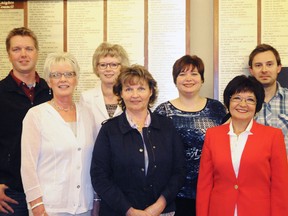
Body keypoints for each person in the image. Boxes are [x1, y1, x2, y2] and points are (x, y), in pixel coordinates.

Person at [90, 64, 186, 216]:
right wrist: (129, 211)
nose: (135, 95)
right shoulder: (109, 130)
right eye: (128, 89)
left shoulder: (166, 126)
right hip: (118, 212)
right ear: (120, 93)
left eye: (141, 89)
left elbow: (179, 171)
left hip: (162, 211)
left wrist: (159, 206)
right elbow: (99, 177)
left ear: (151, 92)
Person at [197, 75, 288, 216]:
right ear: (228, 102)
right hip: (219, 210)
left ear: (257, 105)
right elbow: (205, 184)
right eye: (237, 98)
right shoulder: (212, 135)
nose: (243, 104)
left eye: (250, 99)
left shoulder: (273, 136)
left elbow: (280, 187)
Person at [21, 52, 97, 216]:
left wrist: (95, 202)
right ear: (48, 81)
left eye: (69, 74)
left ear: (76, 79)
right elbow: (28, 168)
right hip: (50, 209)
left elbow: (94, 163)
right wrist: (37, 208)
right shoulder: (36, 116)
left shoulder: (88, 114)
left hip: (84, 207)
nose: (63, 79)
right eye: (56, 75)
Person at [154, 55, 226, 216]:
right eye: (182, 74)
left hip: (212, 188)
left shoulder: (217, 109)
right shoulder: (163, 111)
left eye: (194, 73)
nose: (188, 79)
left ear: (202, 79)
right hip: (174, 192)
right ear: (175, 79)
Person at [0, 27, 52, 215]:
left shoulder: (51, 91)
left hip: (47, 189)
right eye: (16, 49)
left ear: (37, 52)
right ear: (8, 54)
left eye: (29, 49)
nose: (23, 54)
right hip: (11, 193)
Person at [80, 42, 130, 128]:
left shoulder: (130, 96)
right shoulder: (86, 98)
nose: (108, 69)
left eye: (114, 65)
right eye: (103, 65)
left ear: (122, 68)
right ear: (97, 68)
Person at [248, 43, 288, 152]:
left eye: (269, 64)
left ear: (279, 68)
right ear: (251, 70)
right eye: (258, 65)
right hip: (253, 168)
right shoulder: (241, 104)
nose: (264, 70)